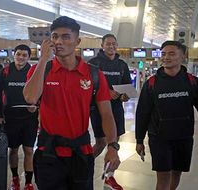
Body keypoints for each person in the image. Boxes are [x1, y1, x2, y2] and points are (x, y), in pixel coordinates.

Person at [23, 16, 120, 190]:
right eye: (54, 36)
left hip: (80, 153)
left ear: (77, 41)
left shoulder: (93, 74)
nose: (59, 41)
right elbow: (30, 98)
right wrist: (43, 59)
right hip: (49, 154)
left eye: (66, 36)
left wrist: (112, 146)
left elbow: (106, 113)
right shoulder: (41, 70)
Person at [135, 40, 198, 190]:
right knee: (163, 176)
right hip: (159, 138)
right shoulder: (152, 83)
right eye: (164, 54)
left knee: (177, 173)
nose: (166, 57)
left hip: (183, 137)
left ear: (182, 57)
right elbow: (143, 113)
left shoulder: (192, 82)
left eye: (172, 54)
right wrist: (139, 139)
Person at [88, 33, 131, 189]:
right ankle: (83, 165)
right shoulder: (94, 64)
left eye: (114, 44)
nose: (111, 46)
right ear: (102, 45)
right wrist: (106, 92)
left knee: (114, 143)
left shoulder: (122, 65)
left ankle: (109, 177)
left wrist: (125, 96)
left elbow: (126, 86)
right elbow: (87, 87)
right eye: (108, 44)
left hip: (116, 108)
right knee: (100, 143)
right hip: (98, 108)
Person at [0, 44, 38, 190]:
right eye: (19, 54)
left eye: (24, 55)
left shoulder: (33, 72)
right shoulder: (4, 72)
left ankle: (29, 182)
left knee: (29, 150)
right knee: (13, 150)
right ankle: (15, 178)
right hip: (10, 118)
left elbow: (41, 93)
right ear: (14, 54)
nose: (21, 58)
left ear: (28, 57)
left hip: (29, 118)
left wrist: (36, 105)